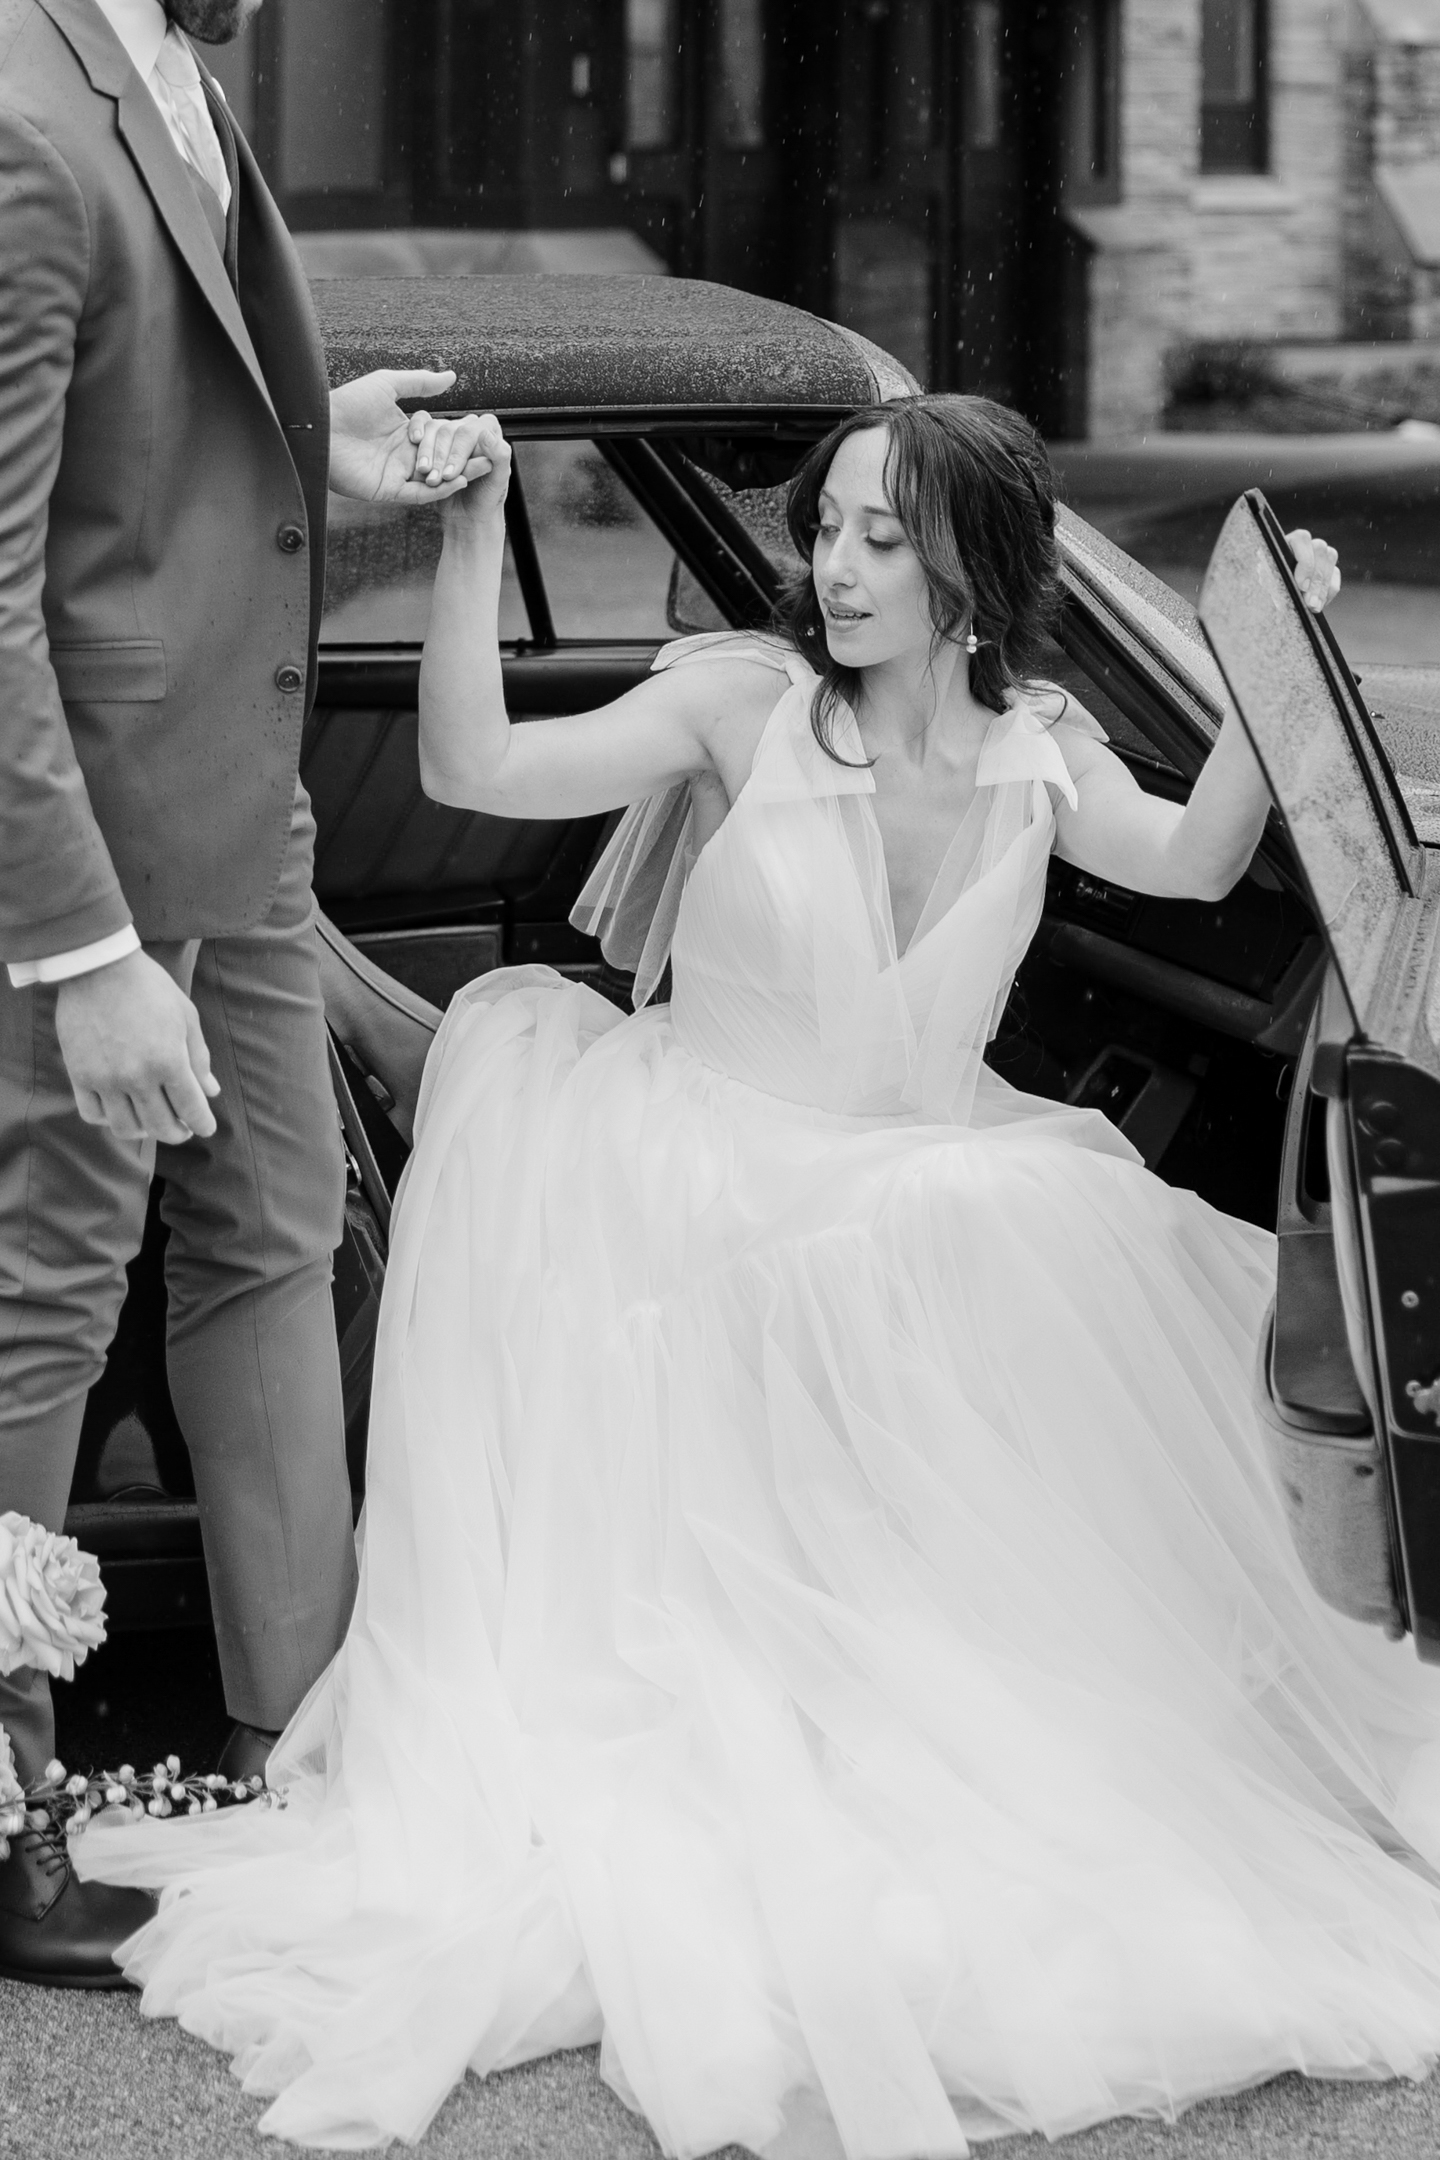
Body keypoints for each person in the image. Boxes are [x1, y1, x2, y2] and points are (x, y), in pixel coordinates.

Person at [82, 394, 1440, 2156]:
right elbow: (473, 775)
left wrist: (1281, 673)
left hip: (931, 1180)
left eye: (885, 538)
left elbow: (1195, 860)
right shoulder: (745, 705)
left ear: (973, 574)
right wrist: (476, 532)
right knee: (906, 1296)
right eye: (828, 529)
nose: (838, 568)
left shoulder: (1043, 746)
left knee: (1068, 1278)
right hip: (685, 1176)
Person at [0, 0, 488, 1986]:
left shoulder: (182, 76)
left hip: (248, 808)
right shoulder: (22, 118)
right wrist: (81, 950)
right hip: (97, 853)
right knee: (40, 1303)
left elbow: (149, 455)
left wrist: (319, 440)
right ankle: (7, 1805)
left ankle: (298, 1744)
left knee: (281, 1227)